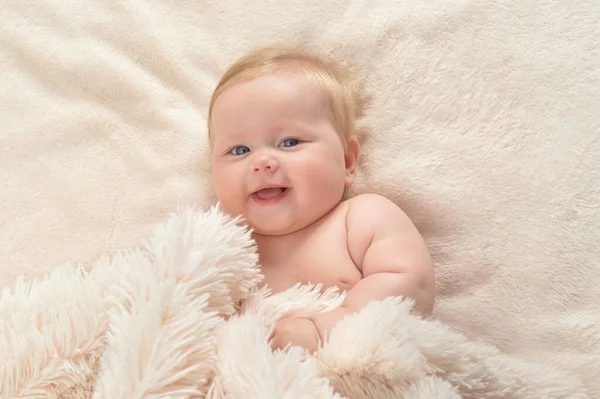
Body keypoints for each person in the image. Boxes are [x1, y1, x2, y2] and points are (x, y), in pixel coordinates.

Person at [208, 46, 435, 353]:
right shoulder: (222, 245)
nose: (261, 162)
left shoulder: (361, 219)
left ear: (347, 161)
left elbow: (411, 285)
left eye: (289, 142)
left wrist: (322, 330)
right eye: (239, 150)